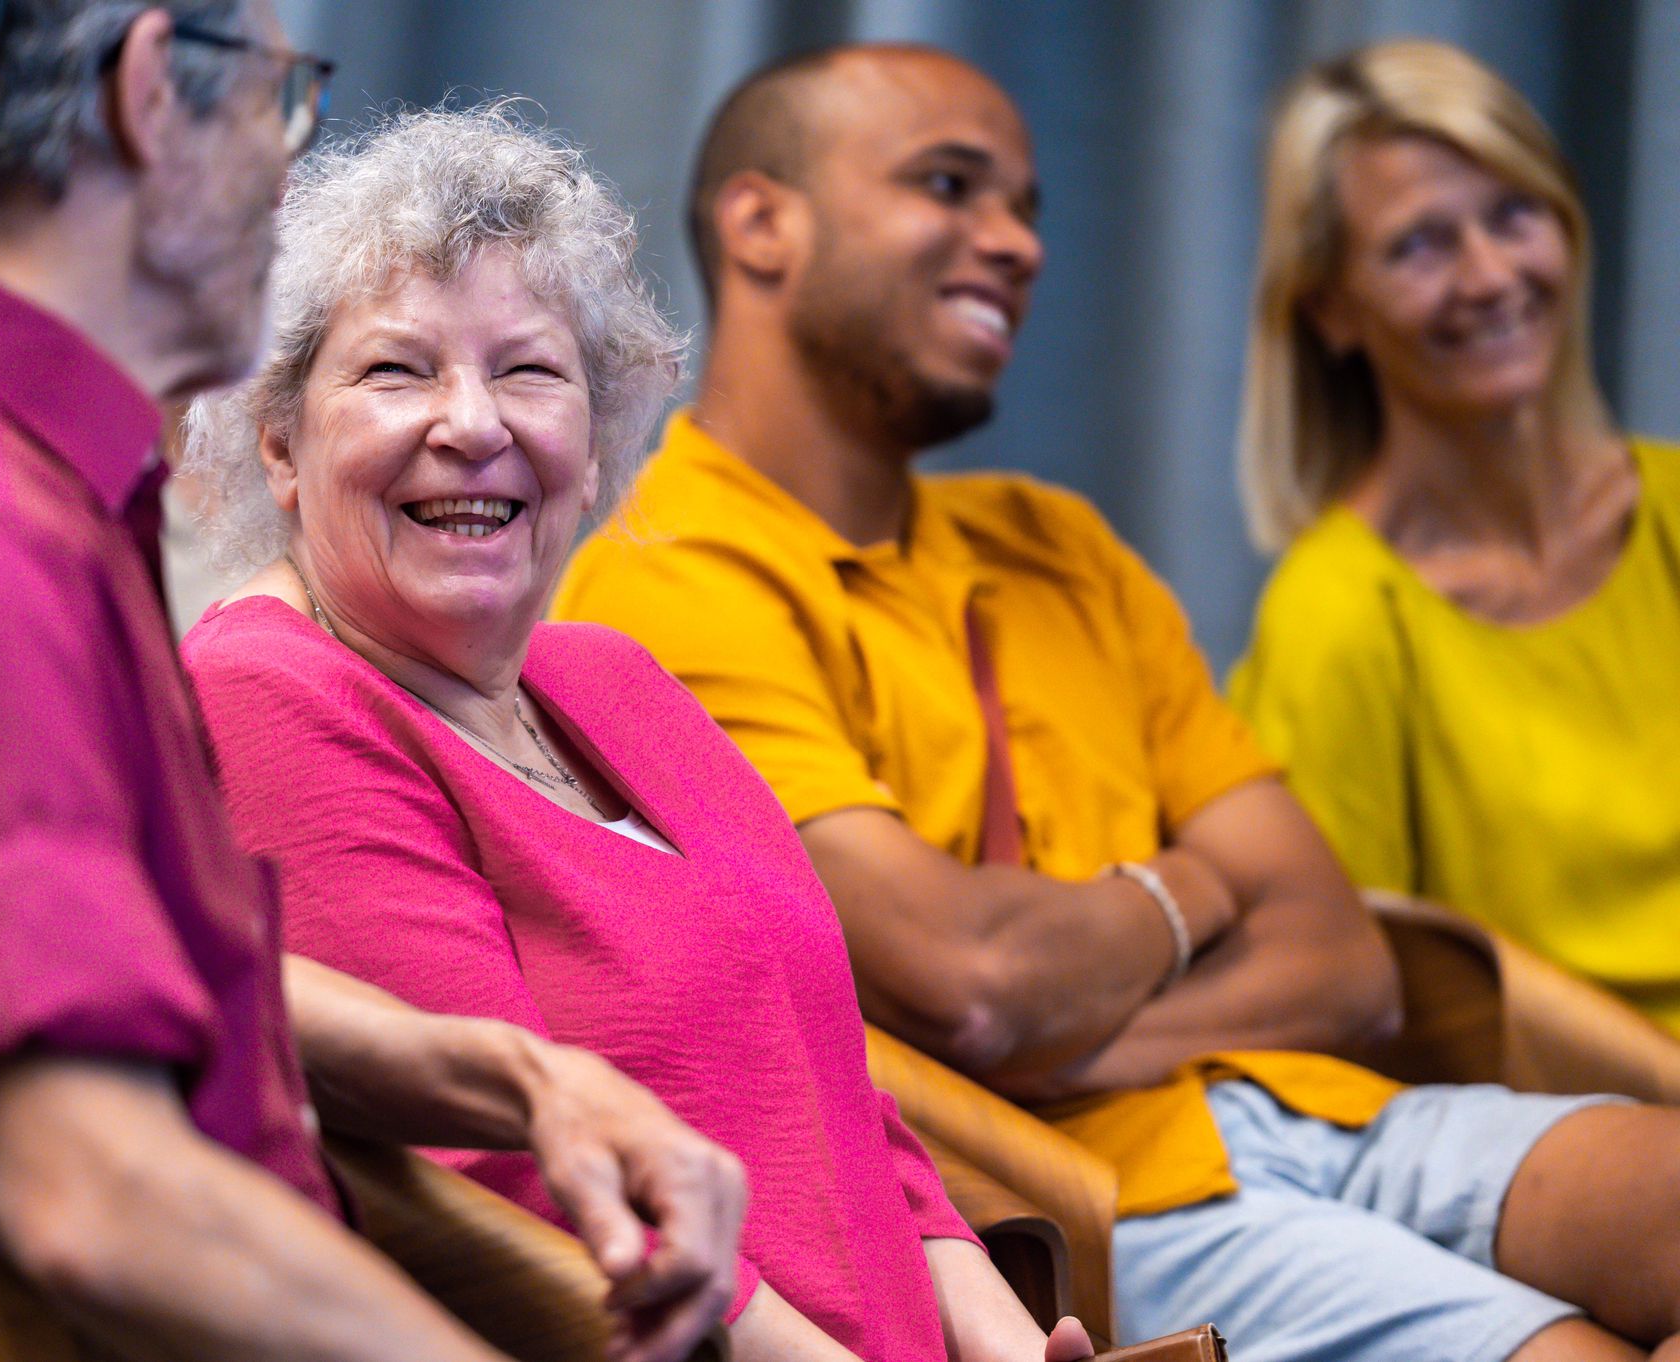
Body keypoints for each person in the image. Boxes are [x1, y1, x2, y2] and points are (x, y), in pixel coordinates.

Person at [0, 7, 746, 1362]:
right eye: (284, 102)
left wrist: (521, 1076)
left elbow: (79, 975)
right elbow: (98, 1196)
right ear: (154, 91)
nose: (288, 181)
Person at [552, 41, 1680, 1362]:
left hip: (1324, 1104)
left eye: (1027, 207)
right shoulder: (654, 577)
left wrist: (1072, 1018)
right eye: (952, 184)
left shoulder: (1059, 542)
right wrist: (1193, 891)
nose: (1015, 242)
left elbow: (1342, 959)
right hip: (1084, 1204)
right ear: (763, 223)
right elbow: (969, 984)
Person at [178, 103, 1093, 1362]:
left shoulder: (612, 676)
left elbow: (827, 1072)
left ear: (596, 443)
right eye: (397, 370)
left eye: (528, 370)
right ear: (279, 443)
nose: (473, 423)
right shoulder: (267, 694)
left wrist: (989, 1331)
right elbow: (500, 1189)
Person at [1227, 39, 1680, 1038]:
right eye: (1418, 246)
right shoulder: (1336, 616)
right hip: (1577, 1139)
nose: (1488, 276)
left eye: (1512, 215)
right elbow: (1359, 1003)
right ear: (1330, 311)